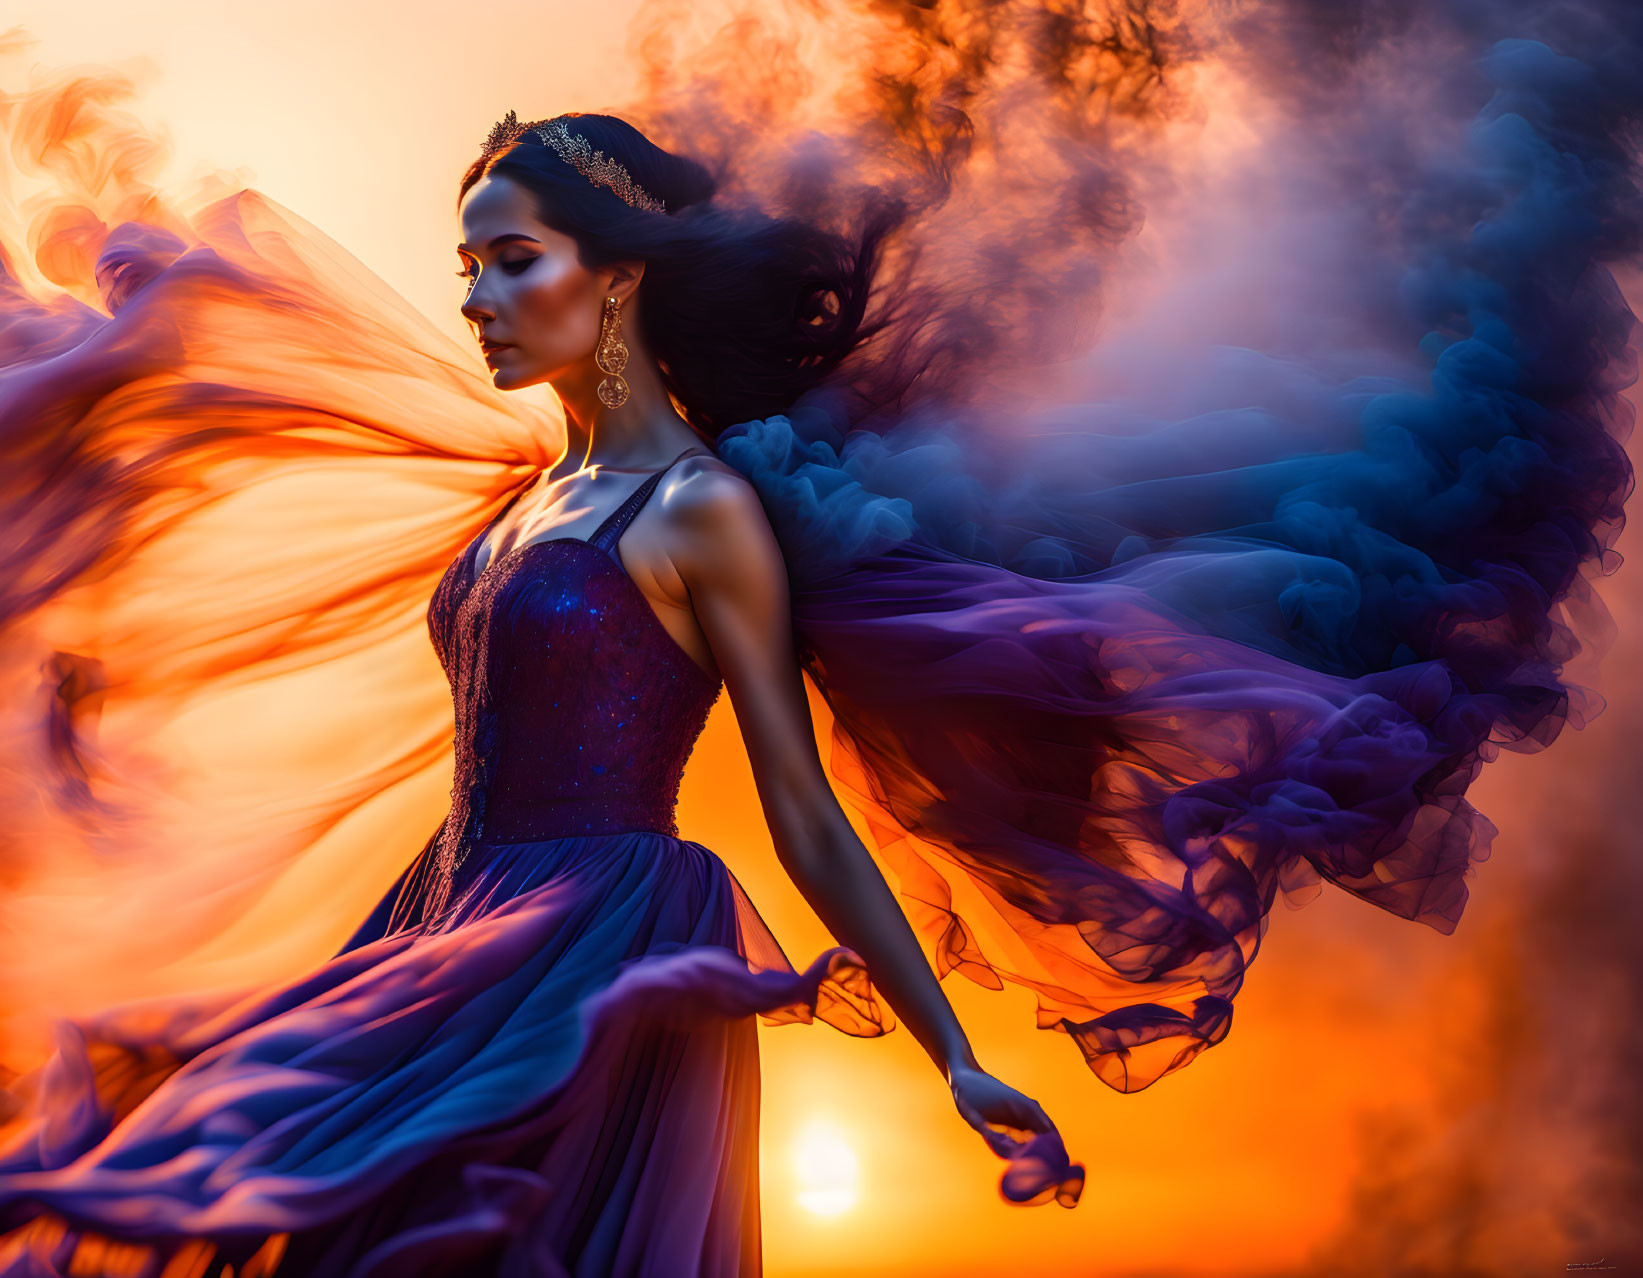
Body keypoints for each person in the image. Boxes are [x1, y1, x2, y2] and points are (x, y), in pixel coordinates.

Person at [0, 112, 1083, 1278]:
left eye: (515, 262)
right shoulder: (524, 499)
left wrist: (952, 1050)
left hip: (602, 950)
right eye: (469, 269)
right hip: (448, 920)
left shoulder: (697, 510)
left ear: (619, 275)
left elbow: (801, 807)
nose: (477, 300)